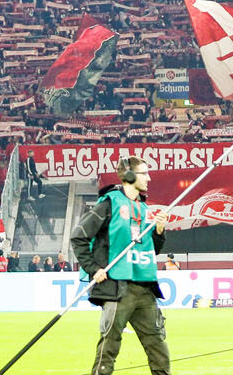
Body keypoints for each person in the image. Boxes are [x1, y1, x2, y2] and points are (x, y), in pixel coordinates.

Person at [69, 156, 170, 375]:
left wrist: (159, 231)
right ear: (130, 176)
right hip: (117, 287)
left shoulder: (143, 208)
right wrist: (93, 269)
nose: (149, 178)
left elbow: (151, 250)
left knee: (157, 344)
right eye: (144, 173)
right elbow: (78, 237)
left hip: (144, 286)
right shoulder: (109, 203)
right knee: (109, 345)